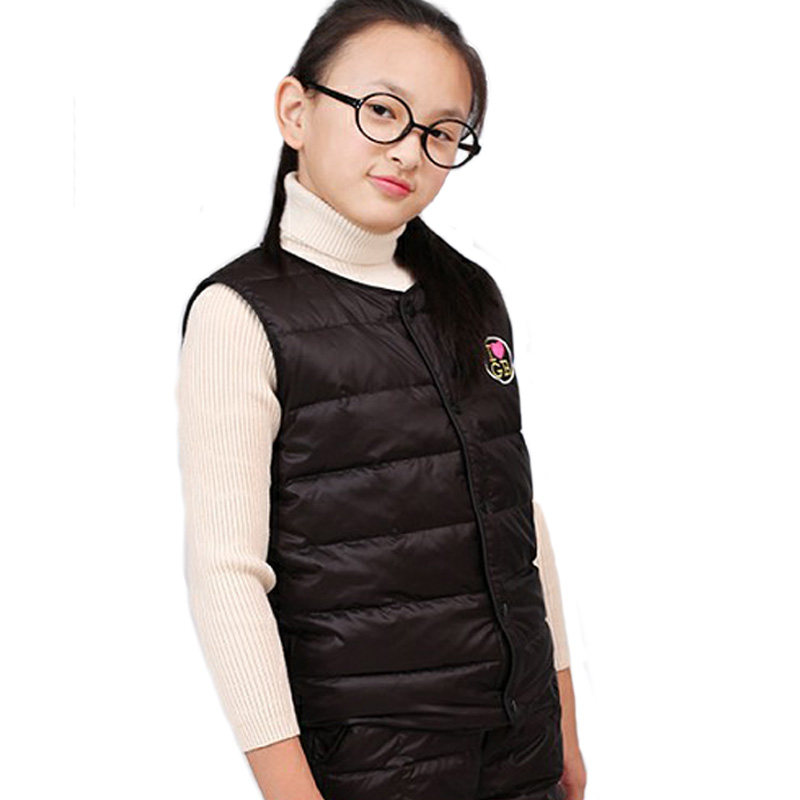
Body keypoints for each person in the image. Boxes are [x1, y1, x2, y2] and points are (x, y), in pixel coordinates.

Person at [176, 1, 587, 798]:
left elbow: (519, 518)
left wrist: (564, 722)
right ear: (296, 111)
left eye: (442, 131)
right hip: (369, 763)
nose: (410, 151)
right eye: (383, 111)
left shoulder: (470, 295)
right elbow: (227, 575)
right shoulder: (241, 314)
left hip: (522, 747)